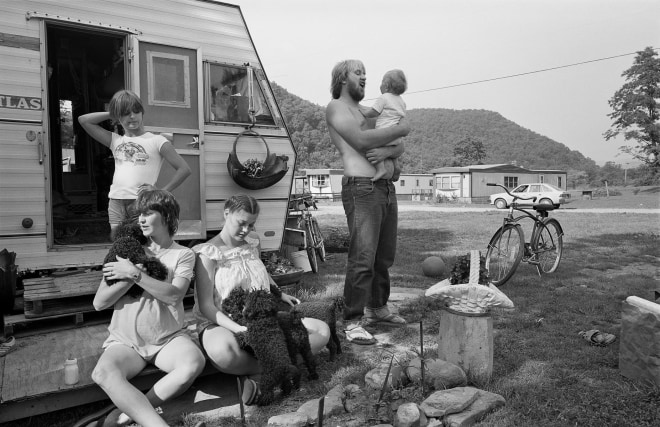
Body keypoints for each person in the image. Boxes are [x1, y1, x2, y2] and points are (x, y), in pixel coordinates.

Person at [192, 194, 330, 405]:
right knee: (222, 352)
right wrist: (239, 329)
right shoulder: (207, 253)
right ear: (226, 214)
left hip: (261, 321)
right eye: (241, 223)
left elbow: (261, 271)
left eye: (251, 224)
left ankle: (266, 372)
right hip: (221, 321)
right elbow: (206, 306)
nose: (246, 230)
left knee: (321, 330)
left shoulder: (252, 243)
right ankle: (279, 366)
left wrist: (280, 293)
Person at [90, 190, 205, 427]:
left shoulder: (183, 254)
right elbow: (99, 303)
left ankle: (134, 412)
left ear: (167, 217)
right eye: (139, 214)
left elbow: (174, 295)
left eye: (148, 213)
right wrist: (125, 275)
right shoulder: (125, 250)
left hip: (168, 339)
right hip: (126, 342)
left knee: (193, 363)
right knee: (102, 373)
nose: (141, 219)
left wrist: (134, 273)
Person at [325, 60, 411, 345]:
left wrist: (397, 139)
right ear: (341, 78)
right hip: (360, 188)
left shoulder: (369, 110)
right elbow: (362, 141)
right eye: (357, 73)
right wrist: (401, 131)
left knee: (383, 256)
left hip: (385, 186)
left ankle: (377, 307)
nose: (364, 77)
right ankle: (352, 321)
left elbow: (398, 144)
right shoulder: (337, 107)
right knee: (362, 257)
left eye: (365, 73)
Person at [78, 89, 191, 239]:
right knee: (119, 244)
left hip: (140, 202)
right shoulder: (116, 140)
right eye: (126, 113)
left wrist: (161, 191)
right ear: (118, 117)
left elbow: (184, 169)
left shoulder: (157, 141)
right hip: (116, 201)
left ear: (142, 113)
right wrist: (113, 112)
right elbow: (84, 120)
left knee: (141, 245)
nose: (132, 116)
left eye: (136, 111)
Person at [360, 69, 408, 181]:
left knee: (371, 142)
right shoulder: (401, 101)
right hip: (396, 137)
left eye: (381, 81)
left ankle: (381, 169)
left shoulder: (384, 97)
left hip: (384, 133)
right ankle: (396, 166)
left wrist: (365, 113)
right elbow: (402, 118)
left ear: (386, 86)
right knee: (391, 148)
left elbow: (374, 112)